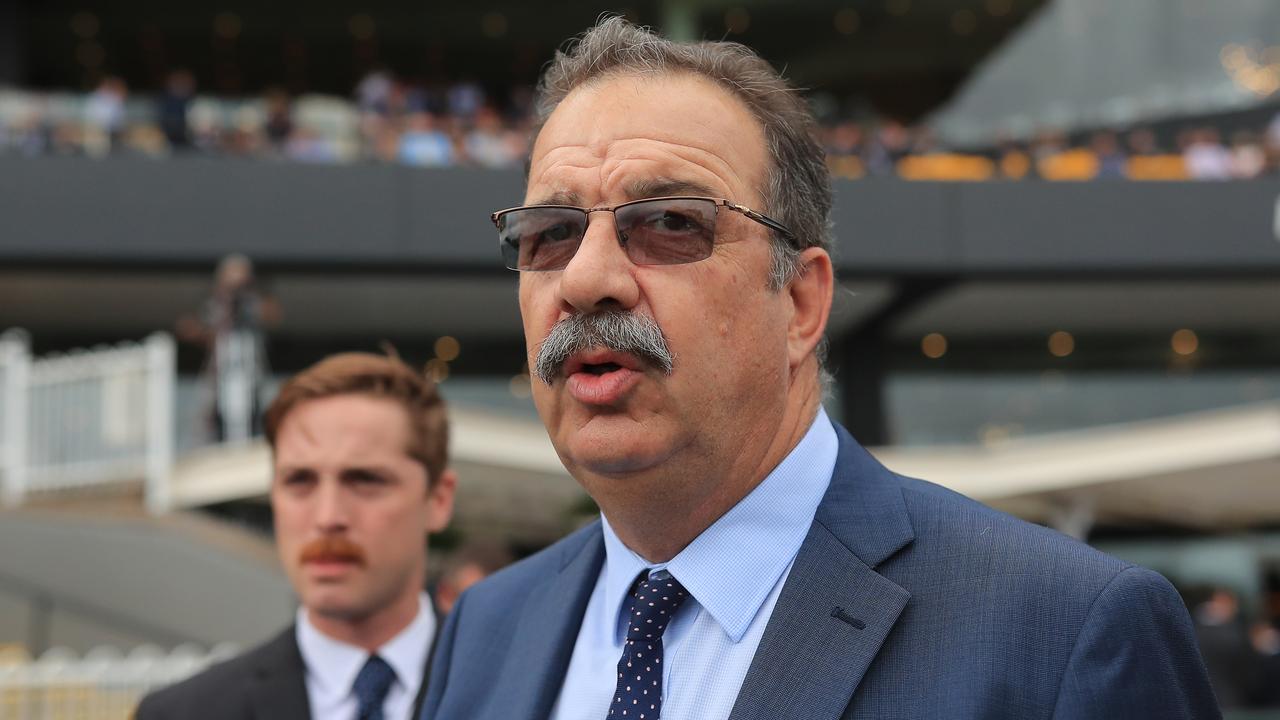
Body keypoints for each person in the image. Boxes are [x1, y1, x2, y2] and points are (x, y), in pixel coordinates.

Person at [421, 17, 1218, 720]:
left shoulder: (1063, 632)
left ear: (800, 303)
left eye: (668, 222)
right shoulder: (486, 630)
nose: (588, 278)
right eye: (550, 233)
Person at [138, 352, 457, 720]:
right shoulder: (183, 714)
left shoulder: (522, 686)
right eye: (299, 481)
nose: (328, 517)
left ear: (438, 499)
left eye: (365, 480)